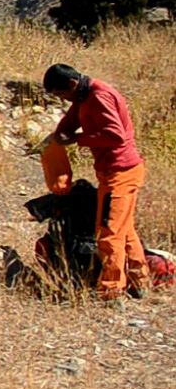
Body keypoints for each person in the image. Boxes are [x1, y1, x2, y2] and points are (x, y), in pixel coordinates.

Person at [43, 63, 149, 301]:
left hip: (120, 174)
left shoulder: (99, 96)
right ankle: (139, 282)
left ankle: (111, 291)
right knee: (125, 230)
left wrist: (78, 140)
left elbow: (115, 135)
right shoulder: (82, 96)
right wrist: (58, 136)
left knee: (108, 232)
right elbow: (70, 122)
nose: (63, 100)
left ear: (71, 84)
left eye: (61, 94)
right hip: (113, 173)